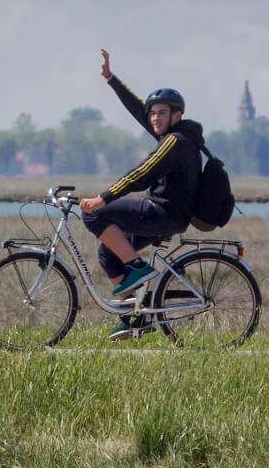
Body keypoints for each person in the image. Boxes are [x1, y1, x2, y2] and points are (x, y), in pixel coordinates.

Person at [84, 49, 206, 339]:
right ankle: (135, 318)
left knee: (94, 214)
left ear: (177, 115)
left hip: (163, 214)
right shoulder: (174, 135)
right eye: (153, 113)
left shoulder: (175, 142)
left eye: (161, 112)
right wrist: (111, 79)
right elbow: (139, 110)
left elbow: (143, 173)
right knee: (108, 251)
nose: (154, 117)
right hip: (165, 214)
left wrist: (105, 197)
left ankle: (138, 267)